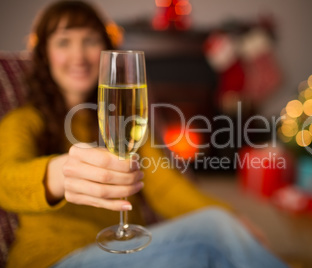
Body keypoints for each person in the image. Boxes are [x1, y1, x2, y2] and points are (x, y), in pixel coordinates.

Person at [0, 1, 287, 268]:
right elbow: (6, 179)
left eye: (90, 41)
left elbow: (164, 187)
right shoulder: (24, 120)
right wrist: (57, 174)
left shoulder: (120, 120)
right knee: (215, 237)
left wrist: (232, 217)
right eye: (64, 42)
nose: (79, 55)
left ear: (106, 50)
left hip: (128, 250)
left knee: (220, 232)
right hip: (56, 259)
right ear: (45, 54)